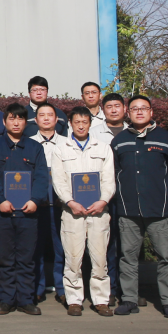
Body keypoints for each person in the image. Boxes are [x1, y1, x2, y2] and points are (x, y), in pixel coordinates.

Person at [112, 95, 168, 319]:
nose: (139, 112)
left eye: (144, 108)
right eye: (135, 109)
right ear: (128, 113)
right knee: (128, 257)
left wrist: (160, 189)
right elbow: (114, 172)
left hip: (158, 210)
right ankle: (129, 300)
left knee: (165, 258)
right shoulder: (119, 140)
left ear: (151, 112)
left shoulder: (166, 138)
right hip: (128, 210)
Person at [0, 102, 49, 315]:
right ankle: (6, 299)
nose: (16, 122)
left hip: (28, 212)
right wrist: (0, 200)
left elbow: (42, 177)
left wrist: (35, 200)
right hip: (2, 212)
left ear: (25, 122)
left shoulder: (35, 148)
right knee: (5, 257)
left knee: (26, 258)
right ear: (4, 122)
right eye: (12, 118)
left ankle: (26, 299)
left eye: (20, 118)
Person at [51, 106, 115, 317]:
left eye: (84, 122)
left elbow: (109, 179)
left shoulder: (103, 148)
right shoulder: (61, 149)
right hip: (72, 213)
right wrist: (70, 202)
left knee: (100, 259)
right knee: (73, 258)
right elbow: (58, 180)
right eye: (77, 122)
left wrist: (103, 201)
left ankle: (101, 300)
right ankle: (74, 300)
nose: (80, 126)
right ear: (70, 124)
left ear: (90, 124)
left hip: (98, 212)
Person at [28, 103, 66, 304]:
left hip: (61, 204)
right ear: (36, 120)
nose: (46, 118)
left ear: (56, 119)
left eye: (50, 115)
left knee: (62, 248)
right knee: (37, 248)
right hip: (38, 204)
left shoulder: (67, 143)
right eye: (41, 115)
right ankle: (37, 287)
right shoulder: (28, 143)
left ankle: (62, 288)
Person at [98, 92, 129, 306]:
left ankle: (129, 290)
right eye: (109, 107)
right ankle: (109, 288)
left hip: (128, 197)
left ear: (124, 109)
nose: (114, 110)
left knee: (129, 245)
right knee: (107, 244)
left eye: (117, 106)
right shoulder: (93, 133)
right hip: (102, 197)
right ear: (103, 110)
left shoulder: (134, 132)